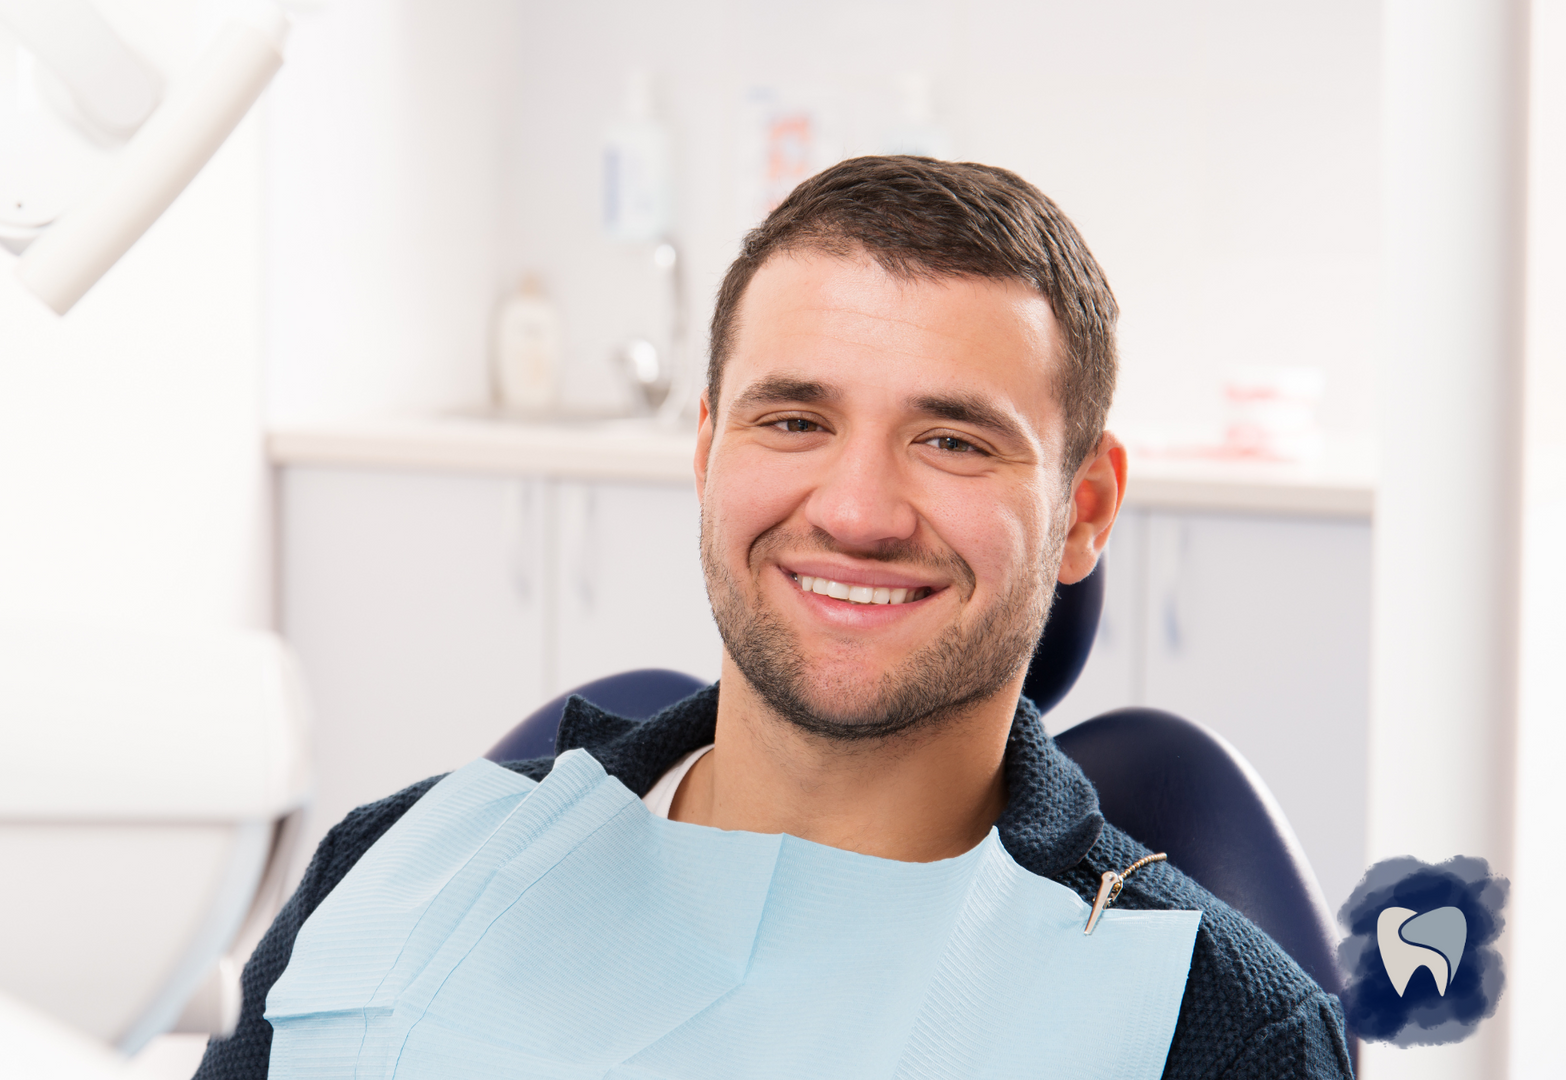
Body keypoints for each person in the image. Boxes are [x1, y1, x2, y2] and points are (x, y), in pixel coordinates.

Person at [196, 157, 1355, 1079]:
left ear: (1083, 508)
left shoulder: (1223, 1035)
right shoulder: (394, 864)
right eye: (794, 421)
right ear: (706, 452)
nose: (854, 511)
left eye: (951, 439)